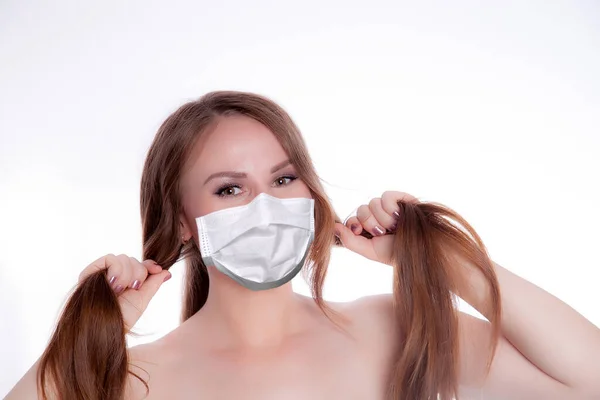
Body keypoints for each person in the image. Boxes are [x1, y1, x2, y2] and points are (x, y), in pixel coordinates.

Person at [6, 91, 600, 400]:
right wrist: (83, 340)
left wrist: (444, 261)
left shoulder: (392, 330)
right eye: (230, 188)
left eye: (284, 179)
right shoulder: (133, 378)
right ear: (183, 221)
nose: (267, 207)